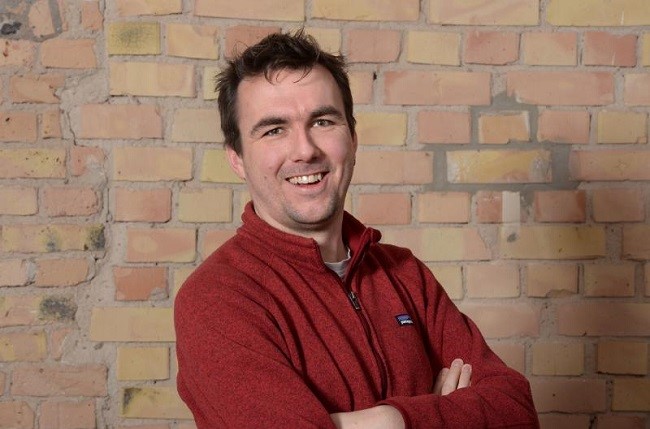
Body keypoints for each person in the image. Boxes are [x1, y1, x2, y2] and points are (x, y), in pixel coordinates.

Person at [174, 29, 539, 429]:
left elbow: (516, 410)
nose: (305, 150)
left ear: (353, 137)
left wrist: (390, 419)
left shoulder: (405, 274)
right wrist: (445, 414)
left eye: (323, 121)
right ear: (237, 158)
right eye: (274, 130)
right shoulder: (218, 299)